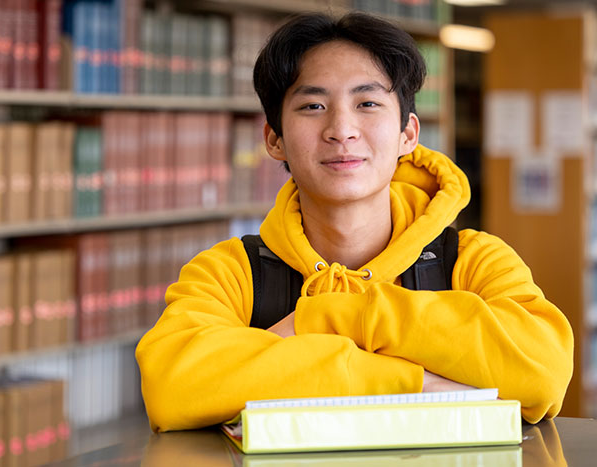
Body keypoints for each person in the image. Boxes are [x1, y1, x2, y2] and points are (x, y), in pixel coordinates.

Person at [135, 11, 574, 432]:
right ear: (274, 139)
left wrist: (328, 319)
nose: (341, 129)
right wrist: (414, 385)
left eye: (367, 102)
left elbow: (544, 371)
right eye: (312, 106)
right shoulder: (231, 272)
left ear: (408, 135)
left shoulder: (474, 260)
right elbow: (172, 387)